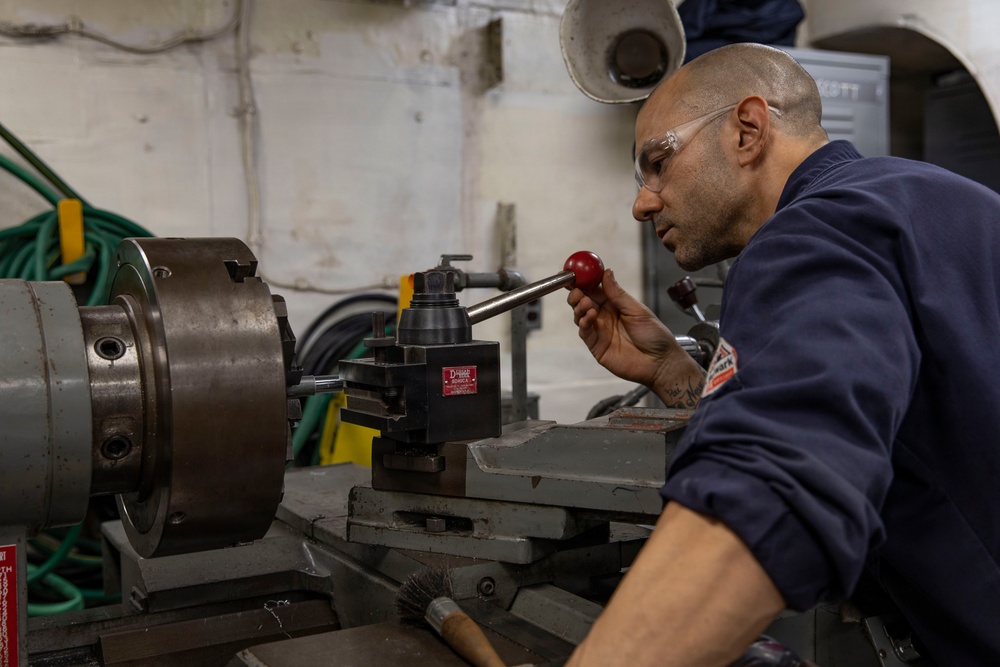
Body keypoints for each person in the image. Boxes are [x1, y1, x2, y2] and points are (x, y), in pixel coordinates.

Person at [566, 43, 1000, 667]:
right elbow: (883, 412)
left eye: (658, 163)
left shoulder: (814, 232)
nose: (642, 203)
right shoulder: (937, 200)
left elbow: (775, 482)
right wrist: (674, 374)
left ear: (748, 129)